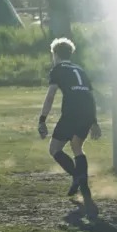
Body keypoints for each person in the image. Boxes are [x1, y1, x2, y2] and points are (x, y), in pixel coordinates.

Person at [38, 38, 100, 215]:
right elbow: (90, 96)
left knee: (54, 148)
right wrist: (94, 121)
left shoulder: (57, 70)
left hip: (71, 112)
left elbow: (50, 96)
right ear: (71, 54)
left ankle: (77, 178)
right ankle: (84, 188)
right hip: (87, 111)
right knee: (77, 147)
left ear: (55, 54)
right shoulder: (80, 69)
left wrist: (42, 119)